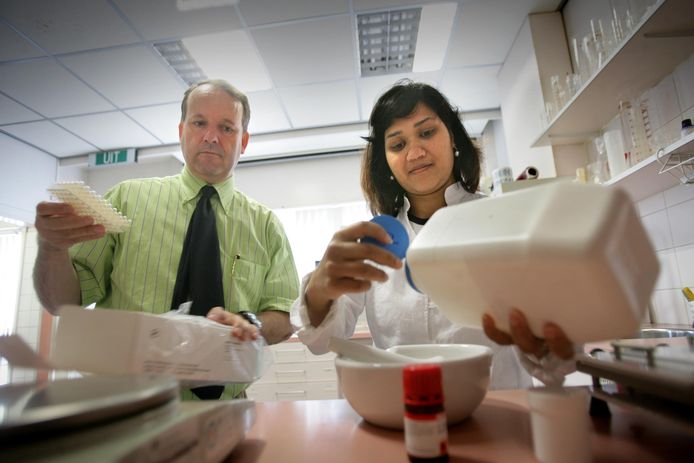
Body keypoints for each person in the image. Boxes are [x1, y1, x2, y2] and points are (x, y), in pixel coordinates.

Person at [291, 80, 575, 389]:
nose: (415, 153)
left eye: (427, 133)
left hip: (496, 417)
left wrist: (548, 348)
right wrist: (318, 289)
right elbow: (320, 339)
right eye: (397, 145)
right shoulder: (375, 242)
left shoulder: (509, 223)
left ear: (452, 135)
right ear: (385, 161)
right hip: (406, 419)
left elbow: (558, 354)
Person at [34, 79, 300, 399]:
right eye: (199, 122)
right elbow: (61, 304)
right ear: (181, 130)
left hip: (224, 408)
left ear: (243, 141)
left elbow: (285, 315)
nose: (211, 136)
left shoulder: (266, 225)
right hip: (124, 405)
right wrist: (51, 249)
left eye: (227, 128)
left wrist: (251, 324)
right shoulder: (125, 200)